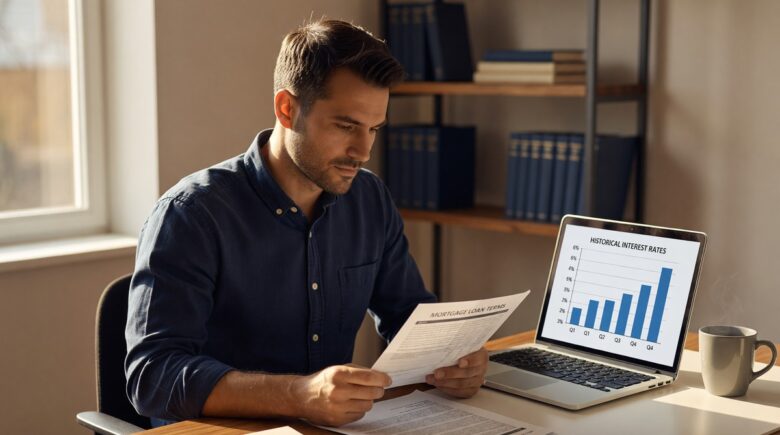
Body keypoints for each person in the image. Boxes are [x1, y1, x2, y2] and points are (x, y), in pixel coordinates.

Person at [125, 19, 488, 428]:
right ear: (287, 108)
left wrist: (452, 359)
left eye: (374, 130)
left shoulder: (369, 200)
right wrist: (300, 395)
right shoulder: (192, 214)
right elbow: (152, 377)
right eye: (346, 126)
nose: (363, 151)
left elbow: (407, 313)